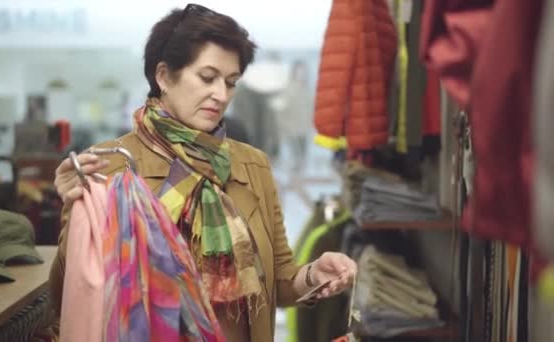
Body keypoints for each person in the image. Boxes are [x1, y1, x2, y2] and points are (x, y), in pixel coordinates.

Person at [48, 4, 357, 342]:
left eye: (231, 82)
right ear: (164, 76)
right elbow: (72, 293)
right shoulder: (111, 164)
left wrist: (313, 275)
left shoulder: (252, 166)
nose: (221, 95)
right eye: (207, 78)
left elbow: (278, 281)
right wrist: (71, 207)